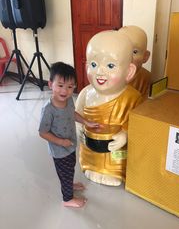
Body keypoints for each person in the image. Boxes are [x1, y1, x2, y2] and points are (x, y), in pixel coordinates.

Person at [76, 30, 143, 186]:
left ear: (129, 71)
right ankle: (91, 166)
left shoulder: (133, 97)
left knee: (119, 155)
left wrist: (125, 135)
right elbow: (77, 114)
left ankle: (114, 172)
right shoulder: (86, 93)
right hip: (90, 148)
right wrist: (78, 126)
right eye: (93, 64)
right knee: (88, 151)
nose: (100, 71)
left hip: (116, 152)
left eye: (110, 65)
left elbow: (138, 126)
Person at [39, 62, 100, 208]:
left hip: (70, 145)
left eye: (70, 86)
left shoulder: (68, 101)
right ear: (50, 84)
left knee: (69, 168)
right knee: (65, 171)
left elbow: (72, 114)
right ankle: (67, 199)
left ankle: (69, 184)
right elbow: (42, 132)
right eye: (60, 85)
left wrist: (87, 122)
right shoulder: (48, 110)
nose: (65, 91)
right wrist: (60, 142)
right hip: (60, 150)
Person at [119, 25, 151, 98]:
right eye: (121, 49)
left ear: (145, 57)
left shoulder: (148, 80)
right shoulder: (107, 74)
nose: (126, 56)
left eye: (134, 52)